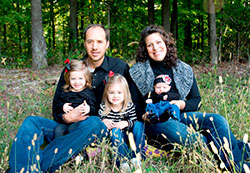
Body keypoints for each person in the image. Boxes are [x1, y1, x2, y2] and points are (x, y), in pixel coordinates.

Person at [7, 24, 143, 172]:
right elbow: (56, 107)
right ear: (84, 43)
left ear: (107, 44)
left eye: (99, 42)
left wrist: (117, 121)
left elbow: (133, 101)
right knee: (32, 122)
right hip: (66, 128)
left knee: (94, 122)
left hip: (98, 127)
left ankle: (31, 166)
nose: (95, 47)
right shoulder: (73, 69)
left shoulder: (119, 67)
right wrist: (67, 117)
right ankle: (26, 169)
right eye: (90, 41)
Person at [129, 25, 250, 172]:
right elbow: (134, 104)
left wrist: (181, 104)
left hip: (181, 114)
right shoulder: (136, 72)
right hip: (155, 122)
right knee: (181, 133)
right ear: (145, 49)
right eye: (150, 44)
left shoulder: (184, 69)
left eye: (159, 42)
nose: (155, 47)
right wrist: (144, 116)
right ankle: (240, 152)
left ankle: (235, 166)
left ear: (166, 43)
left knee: (217, 120)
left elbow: (196, 100)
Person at [98, 74, 144, 170]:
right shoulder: (104, 107)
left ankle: (137, 156)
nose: (115, 96)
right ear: (106, 93)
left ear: (125, 93)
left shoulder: (129, 106)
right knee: (115, 131)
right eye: (111, 93)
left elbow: (133, 120)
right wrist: (103, 121)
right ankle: (123, 160)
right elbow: (99, 123)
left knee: (139, 125)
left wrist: (126, 123)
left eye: (119, 92)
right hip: (116, 138)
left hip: (129, 135)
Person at [54, 59, 96, 138]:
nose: (77, 82)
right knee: (58, 130)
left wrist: (89, 108)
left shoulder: (88, 93)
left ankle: (75, 147)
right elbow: (57, 105)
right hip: (66, 122)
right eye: (73, 79)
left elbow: (94, 107)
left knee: (72, 129)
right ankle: (59, 147)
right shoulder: (65, 92)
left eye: (80, 78)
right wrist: (63, 106)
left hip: (81, 121)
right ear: (68, 79)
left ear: (86, 79)